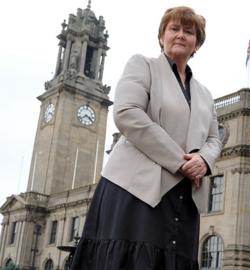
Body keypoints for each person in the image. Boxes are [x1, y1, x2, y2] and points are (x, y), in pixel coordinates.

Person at [71, 6, 222, 270]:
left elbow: (214, 138)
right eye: (174, 29)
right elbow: (127, 113)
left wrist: (204, 160)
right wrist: (182, 162)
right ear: (162, 35)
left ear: (197, 43)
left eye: (189, 31)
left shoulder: (205, 94)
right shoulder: (143, 65)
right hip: (135, 190)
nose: (180, 35)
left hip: (184, 197)